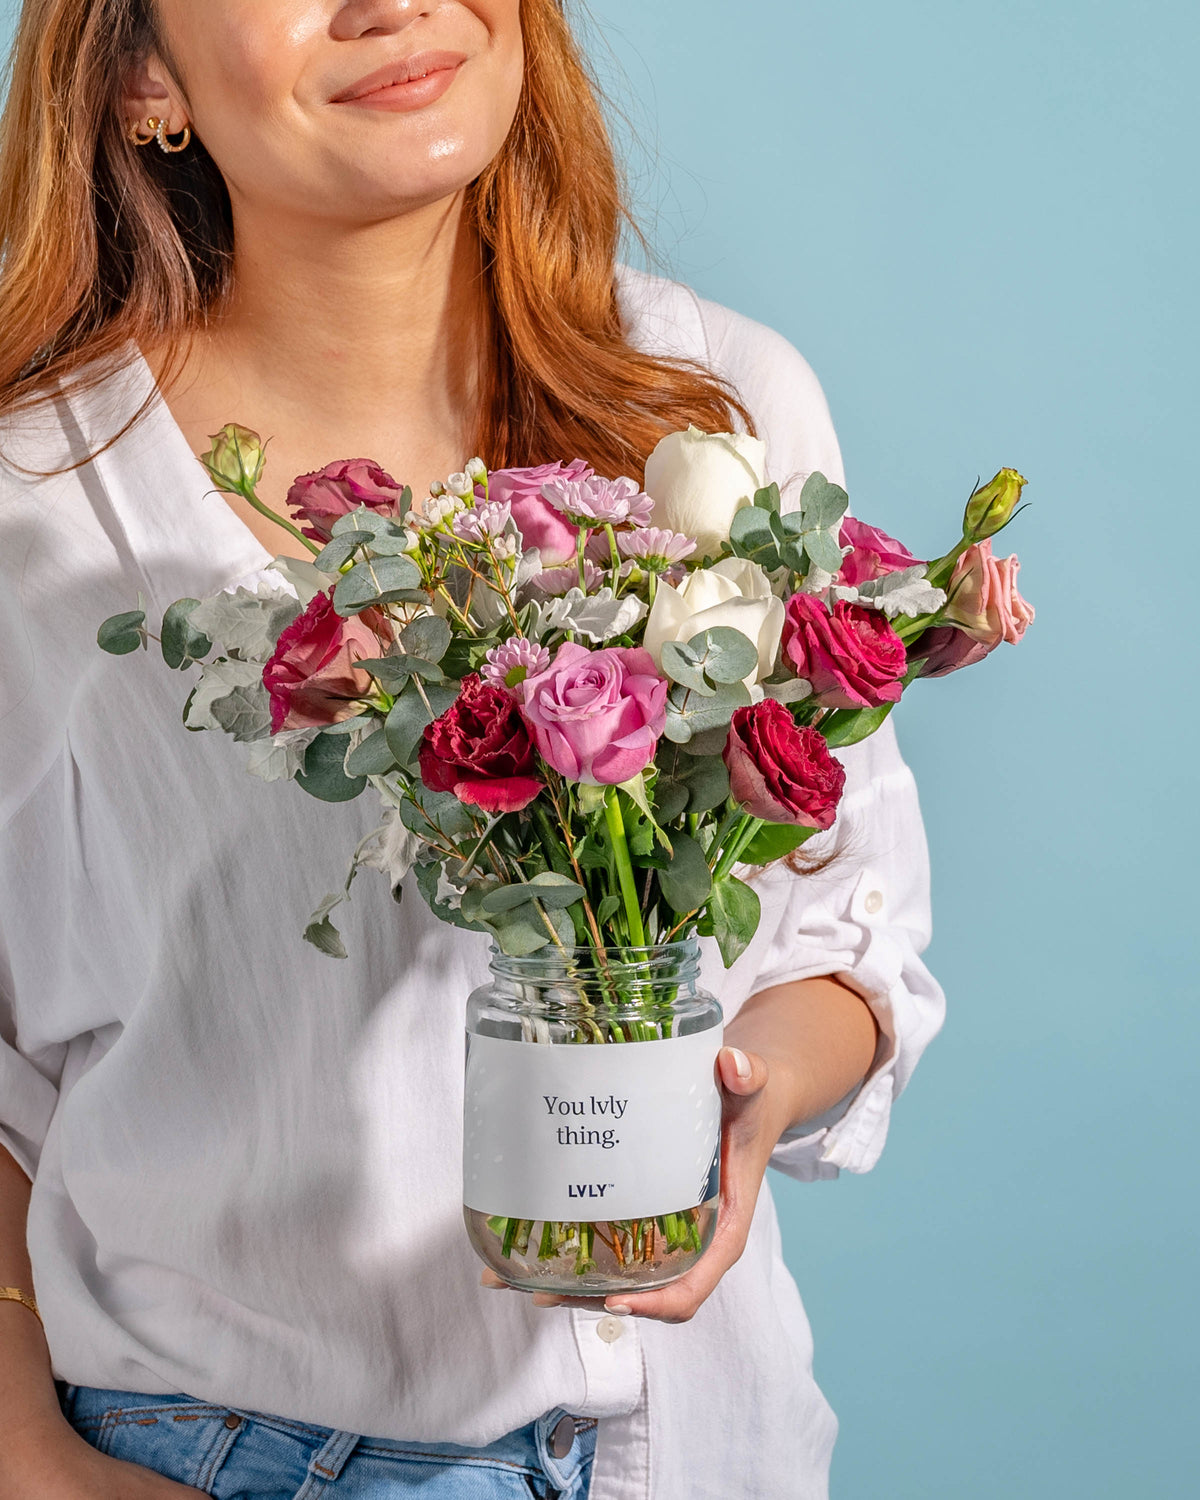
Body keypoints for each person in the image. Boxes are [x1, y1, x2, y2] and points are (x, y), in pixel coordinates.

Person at [0, 2, 946, 1497]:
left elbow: (849, 923)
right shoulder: (30, 507)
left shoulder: (714, 406)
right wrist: (30, 1467)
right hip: (228, 1463)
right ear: (141, 78)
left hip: (703, 1452)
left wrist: (742, 1104)